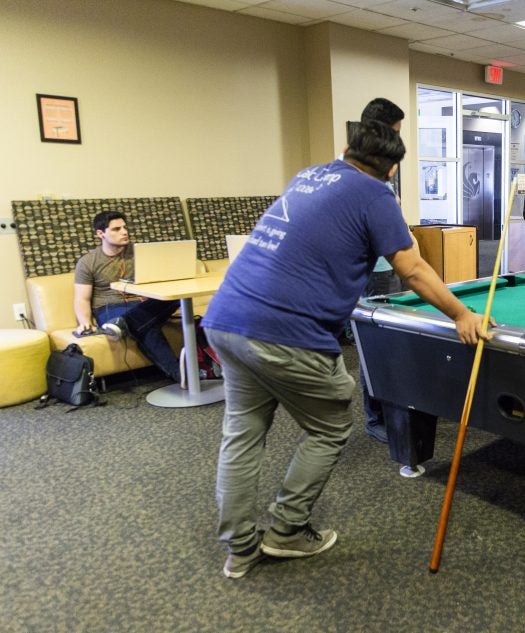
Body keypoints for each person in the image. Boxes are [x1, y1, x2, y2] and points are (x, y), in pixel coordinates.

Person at [202, 120, 491, 579]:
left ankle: (239, 550)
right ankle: (287, 531)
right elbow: (411, 267)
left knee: (243, 434)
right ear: (392, 169)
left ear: (345, 149)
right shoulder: (376, 195)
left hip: (224, 320)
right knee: (330, 428)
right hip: (285, 332)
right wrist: (460, 314)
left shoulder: (307, 175)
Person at [73, 211, 181, 383]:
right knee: (146, 327)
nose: (124, 232)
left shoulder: (140, 253)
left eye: (124, 227)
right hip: (110, 307)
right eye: (116, 229)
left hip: (142, 303)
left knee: (175, 297)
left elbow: (161, 280)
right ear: (100, 234)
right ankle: (181, 375)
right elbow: (81, 298)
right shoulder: (88, 262)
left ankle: (122, 324)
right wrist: (85, 321)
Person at [356, 97, 405, 443]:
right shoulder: (358, 179)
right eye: (396, 133)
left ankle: (395, 410)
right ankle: (375, 418)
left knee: (393, 343)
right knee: (372, 344)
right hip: (371, 272)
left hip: (387, 270)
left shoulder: (380, 176)